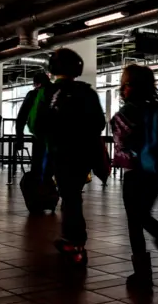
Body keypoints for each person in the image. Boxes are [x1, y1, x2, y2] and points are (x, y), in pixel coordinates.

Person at [111, 64, 158, 291]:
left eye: (124, 84)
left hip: (134, 175)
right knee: (143, 216)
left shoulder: (124, 115)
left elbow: (122, 147)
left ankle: (153, 263)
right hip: (156, 174)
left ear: (128, 87)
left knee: (136, 220)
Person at [29, 49, 105, 266]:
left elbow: (34, 124)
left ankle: (75, 243)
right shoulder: (87, 92)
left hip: (59, 153)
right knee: (73, 195)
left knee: (69, 196)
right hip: (83, 154)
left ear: (53, 69)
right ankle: (72, 240)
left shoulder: (47, 92)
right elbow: (99, 123)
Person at [16, 72, 51, 176]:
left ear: (36, 84)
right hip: (58, 138)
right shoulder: (58, 92)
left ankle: (39, 188)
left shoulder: (33, 94)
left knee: (38, 167)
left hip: (39, 137)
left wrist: (19, 138)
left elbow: (21, 118)